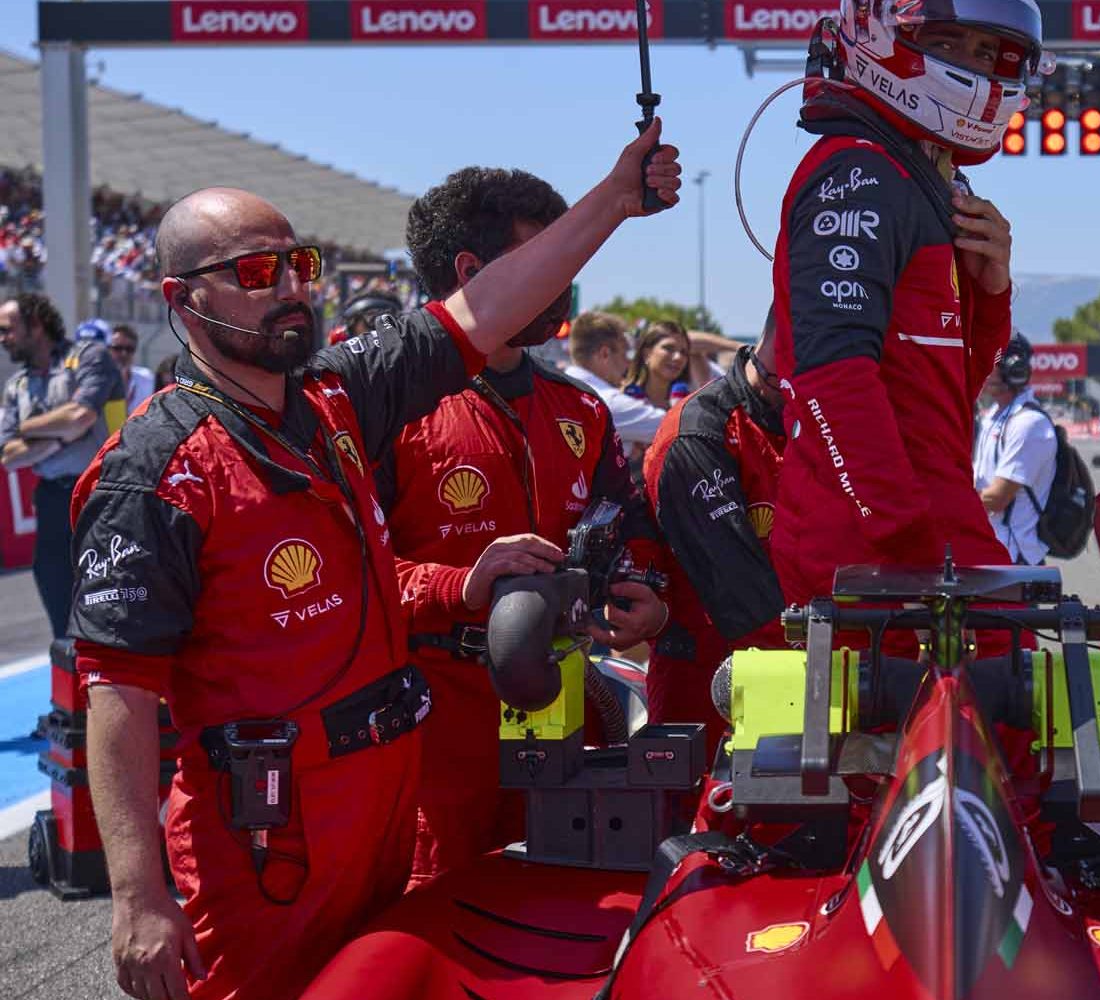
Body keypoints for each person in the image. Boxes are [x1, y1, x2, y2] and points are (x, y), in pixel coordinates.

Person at [72, 123, 678, 1000]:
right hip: (266, 847)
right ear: (179, 296)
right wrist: (136, 895)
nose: (287, 289)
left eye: (298, 267)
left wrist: (617, 200)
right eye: (253, 272)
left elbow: (483, 308)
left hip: (391, 812)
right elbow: (117, 691)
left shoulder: (337, 398)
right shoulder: (154, 469)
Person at [379, 166, 670, 889]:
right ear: (474, 273)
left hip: (572, 705)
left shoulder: (583, 411)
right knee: (438, 924)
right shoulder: (387, 414)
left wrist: (639, 585)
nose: (565, 280)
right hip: (438, 727)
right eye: (549, 258)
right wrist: (462, 584)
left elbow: (626, 524)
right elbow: (342, 576)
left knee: (580, 912)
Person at [762, 0, 1030, 641]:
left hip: (922, 532)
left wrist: (991, 295)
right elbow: (831, 377)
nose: (975, 67)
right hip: (879, 553)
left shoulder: (917, 176)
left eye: (987, 53)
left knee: (1026, 712)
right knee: (1019, 711)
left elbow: (946, 399)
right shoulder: (859, 170)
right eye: (951, 43)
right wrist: (911, 541)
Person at [640, 331, 786, 732]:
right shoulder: (699, 432)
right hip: (708, 687)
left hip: (797, 667)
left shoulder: (808, 415)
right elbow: (738, 591)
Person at [0, 292, 124, 640]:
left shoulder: (89, 356)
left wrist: (30, 431)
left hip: (100, 497)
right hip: (53, 503)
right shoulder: (17, 385)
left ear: (35, 326)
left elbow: (80, 415)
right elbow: (9, 455)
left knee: (110, 602)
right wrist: (60, 438)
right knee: (58, 602)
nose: (2, 338)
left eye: (8, 329)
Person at [972, 332, 1056, 565]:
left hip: (1014, 556)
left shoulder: (1029, 423)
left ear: (1013, 369)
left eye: (990, 361)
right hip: (991, 547)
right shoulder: (993, 416)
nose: (981, 367)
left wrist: (947, 504)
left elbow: (998, 498)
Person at [565, 311, 663, 461]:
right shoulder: (605, 402)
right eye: (625, 354)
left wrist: (626, 445)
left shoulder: (557, 389)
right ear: (605, 354)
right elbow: (672, 428)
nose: (629, 363)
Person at [622, 320, 690, 441]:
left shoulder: (691, 404)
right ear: (646, 353)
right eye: (668, 348)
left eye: (683, 352)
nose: (678, 357)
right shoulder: (623, 399)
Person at [110, 324, 157, 413]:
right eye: (117, 348)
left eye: (129, 349)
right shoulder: (97, 380)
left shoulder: (147, 378)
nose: (124, 354)